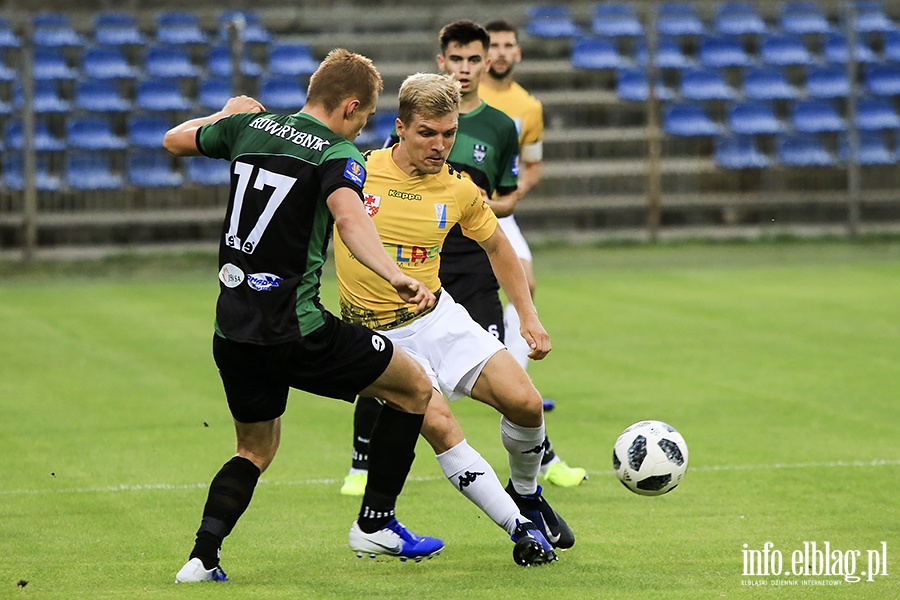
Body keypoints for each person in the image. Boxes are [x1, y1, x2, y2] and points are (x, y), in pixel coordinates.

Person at [162, 49, 443, 583]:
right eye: (364, 119)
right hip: (298, 330)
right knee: (414, 386)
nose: (362, 130)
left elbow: (174, 139)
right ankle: (377, 523)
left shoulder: (250, 127)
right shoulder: (338, 155)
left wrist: (224, 115)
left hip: (234, 332)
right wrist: (396, 275)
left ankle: (202, 558)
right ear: (350, 107)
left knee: (254, 448)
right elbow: (349, 217)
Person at [335, 71, 572, 566]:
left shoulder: (460, 189)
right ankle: (520, 528)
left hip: (438, 316)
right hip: (377, 335)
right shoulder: (357, 170)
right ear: (400, 127)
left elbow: (498, 246)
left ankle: (526, 492)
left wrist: (528, 317)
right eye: (427, 133)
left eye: (449, 133)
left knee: (526, 404)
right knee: (442, 425)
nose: (440, 145)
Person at [480, 19, 586, 487]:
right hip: (454, 214)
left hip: (499, 212)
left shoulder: (528, 107)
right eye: (493, 46)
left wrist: (511, 194)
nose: (500, 53)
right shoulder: (461, 96)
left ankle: (513, 373)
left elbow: (535, 166)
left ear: (518, 53)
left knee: (526, 281)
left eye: (508, 45)